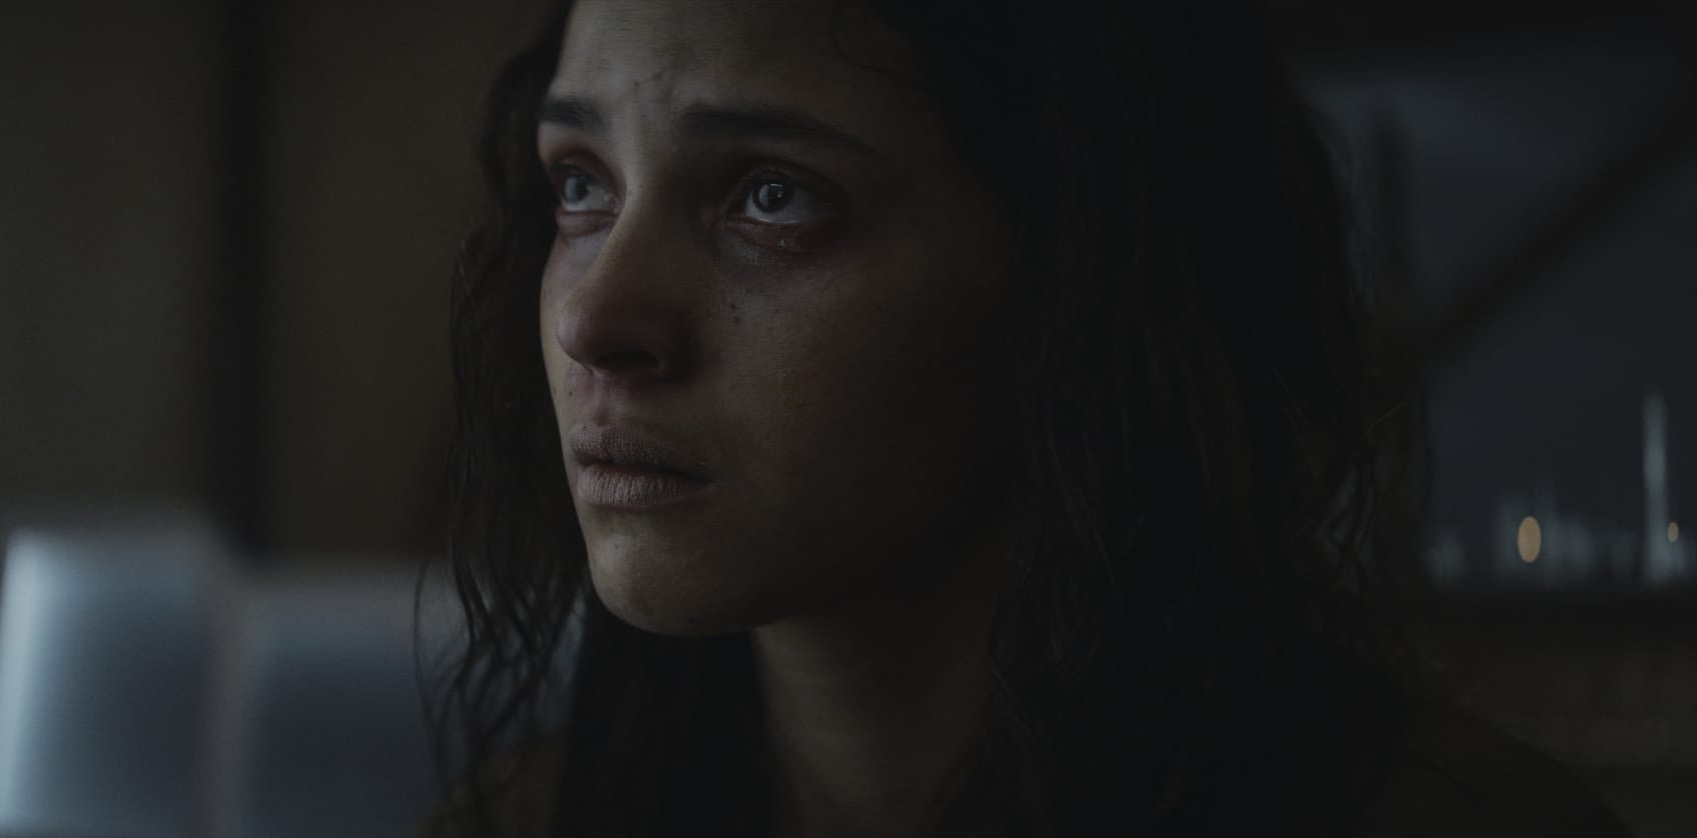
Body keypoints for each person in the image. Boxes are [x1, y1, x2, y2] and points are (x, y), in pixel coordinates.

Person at [423, 1, 1634, 836]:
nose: (596, 321)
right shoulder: (532, 821)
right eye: (580, 185)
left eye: (770, 196)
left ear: (1082, 271)